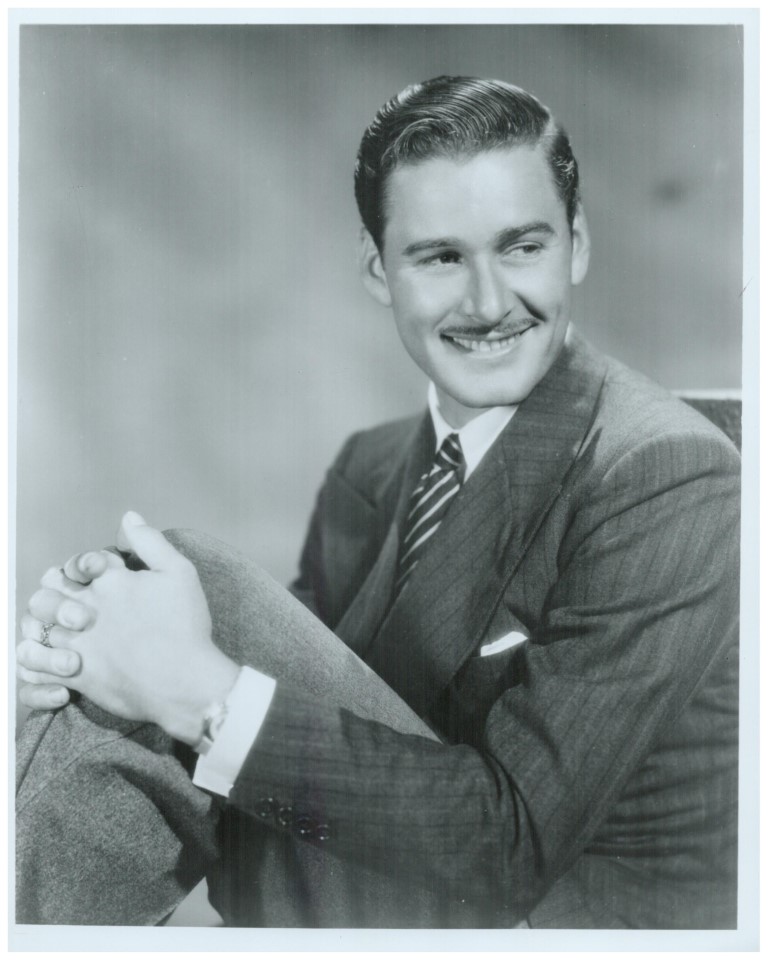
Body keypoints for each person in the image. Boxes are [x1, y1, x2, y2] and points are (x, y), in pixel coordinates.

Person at [16, 76, 739, 929]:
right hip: (366, 877)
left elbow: (510, 847)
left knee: (194, 588)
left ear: (575, 246)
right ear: (377, 269)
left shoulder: (666, 472)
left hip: (540, 921)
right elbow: (293, 742)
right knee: (141, 614)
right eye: (440, 258)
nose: (488, 303)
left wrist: (193, 691)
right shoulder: (370, 468)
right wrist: (104, 644)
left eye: (521, 248)